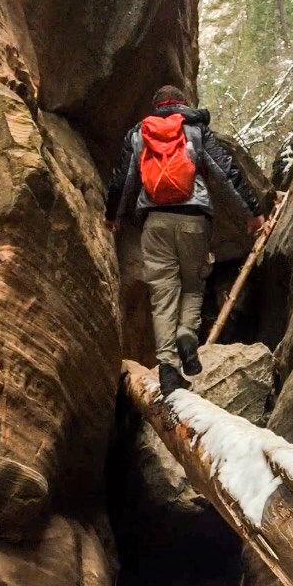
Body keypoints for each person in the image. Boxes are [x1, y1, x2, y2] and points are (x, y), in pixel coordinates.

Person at [105, 85, 264, 396]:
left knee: (163, 294)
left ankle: (167, 368)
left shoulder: (140, 134)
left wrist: (113, 216)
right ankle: (187, 337)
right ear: (183, 103)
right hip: (194, 220)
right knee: (192, 285)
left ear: (156, 106)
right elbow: (225, 172)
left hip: (155, 222)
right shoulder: (195, 130)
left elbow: (122, 179)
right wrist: (252, 212)